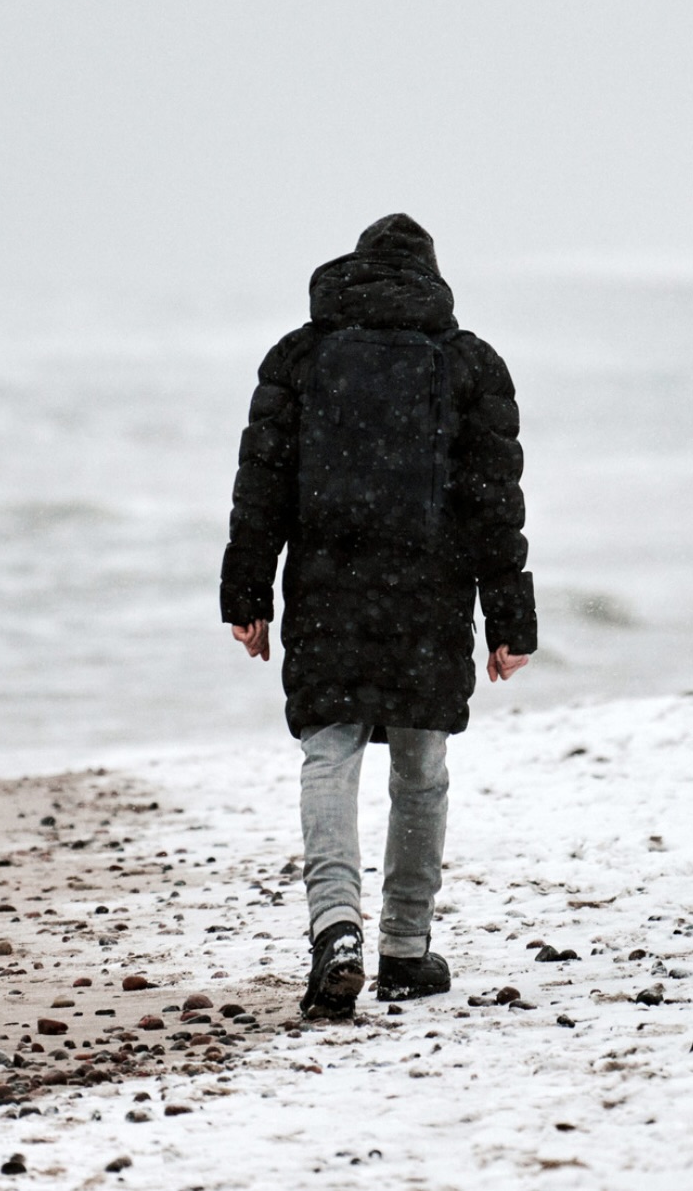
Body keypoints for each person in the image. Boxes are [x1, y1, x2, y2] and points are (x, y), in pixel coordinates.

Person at [220, 213, 537, 1020]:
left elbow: (261, 487)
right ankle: (404, 947)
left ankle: (336, 930)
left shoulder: (301, 356)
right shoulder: (468, 363)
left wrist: (248, 595)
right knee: (420, 769)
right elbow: (492, 502)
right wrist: (508, 618)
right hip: (428, 591)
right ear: (430, 279)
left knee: (329, 756)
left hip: (328, 584)